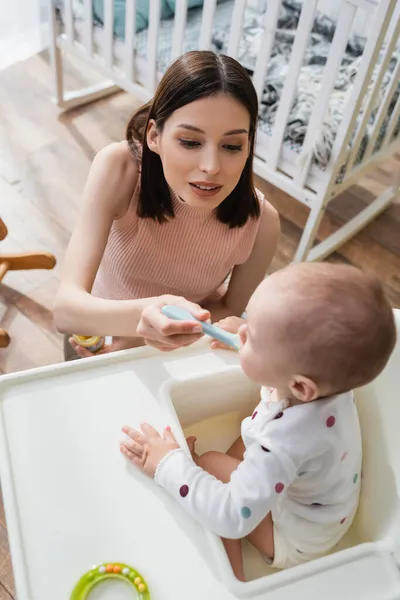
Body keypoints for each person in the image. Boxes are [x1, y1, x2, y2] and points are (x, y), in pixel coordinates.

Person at [120, 262, 396, 580]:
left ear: (300, 386)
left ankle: (232, 577)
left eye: (253, 336)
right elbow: (288, 356)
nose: (240, 331)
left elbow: (231, 516)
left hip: (294, 537)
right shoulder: (328, 382)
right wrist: (249, 342)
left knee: (209, 462)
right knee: (240, 435)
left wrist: (168, 464)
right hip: (324, 510)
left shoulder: (283, 443)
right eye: (248, 322)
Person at [53, 51, 280, 359]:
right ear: (154, 135)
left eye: (231, 146)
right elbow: (66, 310)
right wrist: (138, 321)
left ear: (249, 146)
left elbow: (228, 308)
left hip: (174, 349)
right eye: (190, 142)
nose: (211, 166)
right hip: (95, 335)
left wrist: (144, 338)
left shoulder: (262, 223)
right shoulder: (120, 168)